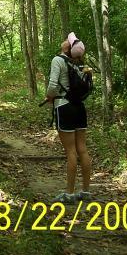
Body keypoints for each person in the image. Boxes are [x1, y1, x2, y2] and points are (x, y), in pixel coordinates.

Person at [45, 31, 93, 203]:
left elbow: (52, 84)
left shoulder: (57, 60)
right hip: (80, 108)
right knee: (83, 149)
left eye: (68, 41)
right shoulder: (80, 64)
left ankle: (70, 193)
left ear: (68, 47)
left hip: (64, 107)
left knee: (71, 151)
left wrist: (50, 96)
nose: (65, 40)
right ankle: (86, 191)